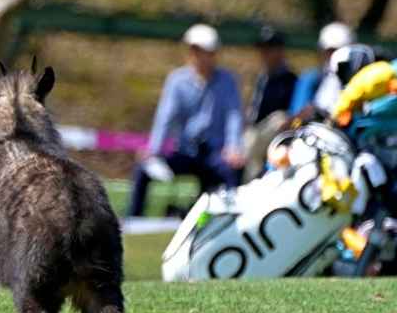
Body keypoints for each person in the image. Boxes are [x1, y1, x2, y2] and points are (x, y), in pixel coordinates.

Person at [127, 23, 245, 217]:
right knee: (143, 169)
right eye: (195, 50)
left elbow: (234, 116)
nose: (198, 55)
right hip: (185, 152)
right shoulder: (177, 80)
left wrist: (233, 147)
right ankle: (134, 220)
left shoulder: (228, 80)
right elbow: (165, 117)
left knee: (232, 170)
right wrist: (153, 150)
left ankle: (233, 219)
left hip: (214, 154)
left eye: (205, 51)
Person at [242, 25, 299, 181]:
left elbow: (291, 114)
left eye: (269, 48)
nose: (264, 53)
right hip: (255, 132)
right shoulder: (262, 78)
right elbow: (254, 110)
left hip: (279, 134)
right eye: (263, 49)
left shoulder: (290, 80)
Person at [289, 21, 354, 115]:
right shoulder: (310, 78)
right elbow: (297, 112)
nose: (334, 55)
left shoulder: (357, 80)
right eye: (330, 51)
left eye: (338, 51)